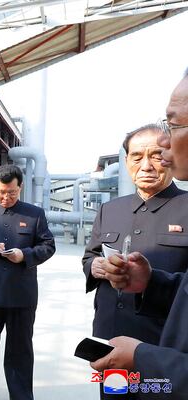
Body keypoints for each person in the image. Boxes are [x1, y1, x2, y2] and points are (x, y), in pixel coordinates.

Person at [92, 71, 188, 399]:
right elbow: (91, 254)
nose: (148, 163)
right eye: (137, 156)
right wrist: (96, 267)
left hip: (160, 346)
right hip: (111, 338)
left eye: (157, 155)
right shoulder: (111, 209)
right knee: (114, 395)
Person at [0, 164, 56, 400]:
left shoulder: (35, 214)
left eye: (12, 193)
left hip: (21, 294)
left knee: (20, 351)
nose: (6, 197)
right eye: (1, 192)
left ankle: (22, 396)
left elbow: (48, 246)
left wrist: (24, 255)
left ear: (20, 187)